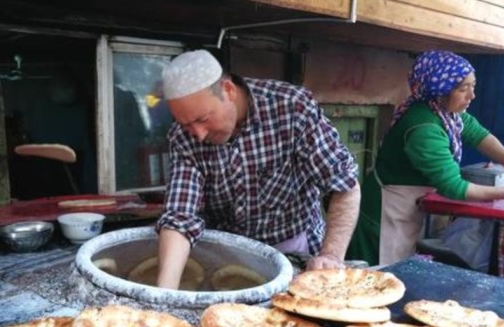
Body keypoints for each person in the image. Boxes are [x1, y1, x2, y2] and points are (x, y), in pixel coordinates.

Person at [154, 49, 361, 290]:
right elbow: (180, 217)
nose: (198, 135)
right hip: (228, 257)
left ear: (229, 91)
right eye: (186, 124)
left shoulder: (291, 108)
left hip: (293, 251)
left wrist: (332, 256)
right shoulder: (183, 137)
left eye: (202, 119)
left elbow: (345, 186)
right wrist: (164, 292)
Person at [347, 50, 504, 266]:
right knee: (376, 274)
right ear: (439, 91)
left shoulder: (446, 113)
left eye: (472, 86)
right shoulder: (424, 127)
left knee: (398, 270)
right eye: (463, 89)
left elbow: (476, 132)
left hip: (405, 207)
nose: (471, 96)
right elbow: (454, 187)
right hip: (384, 213)